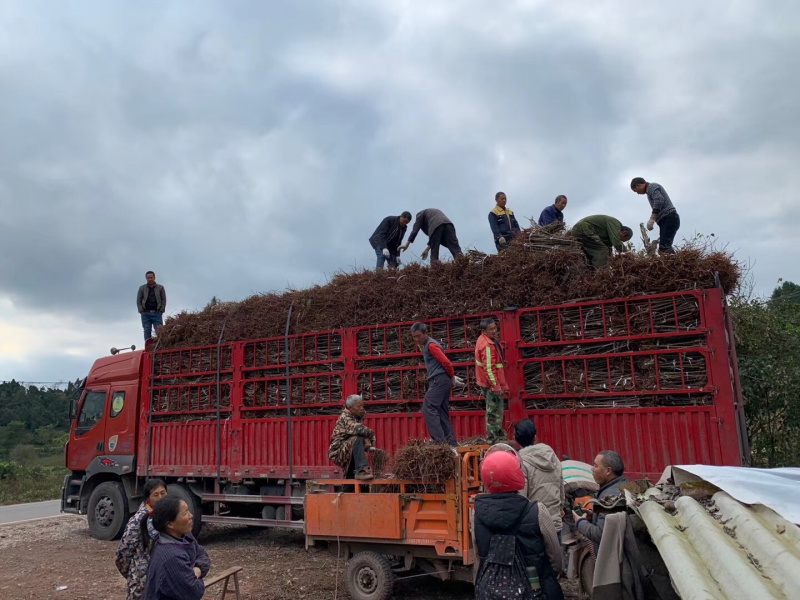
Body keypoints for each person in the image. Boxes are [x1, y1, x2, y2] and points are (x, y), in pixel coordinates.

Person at [474, 446, 564, 600]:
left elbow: (479, 557)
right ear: (518, 474)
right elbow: (556, 558)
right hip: (535, 590)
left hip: (492, 593)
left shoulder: (477, 514)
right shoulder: (538, 511)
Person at [144, 496, 211, 600]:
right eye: (185, 513)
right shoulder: (171, 557)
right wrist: (195, 572)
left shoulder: (186, 536)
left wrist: (196, 571)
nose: (191, 516)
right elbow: (194, 592)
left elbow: (203, 556)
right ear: (170, 524)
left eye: (188, 510)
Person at [116, 479, 168, 600]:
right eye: (155, 495)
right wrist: (135, 574)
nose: (160, 497)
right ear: (147, 498)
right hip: (142, 584)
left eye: (163, 493)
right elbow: (122, 555)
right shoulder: (137, 521)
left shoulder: (169, 517)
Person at [410, 322, 461, 445]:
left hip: (439, 380)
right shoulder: (428, 344)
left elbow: (446, 363)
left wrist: (452, 377)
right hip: (442, 380)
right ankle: (451, 443)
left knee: (428, 408)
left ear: (425, 333)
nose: (417, 339)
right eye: (414, 337)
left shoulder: (431, 345)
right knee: (442, 411)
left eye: (419, 336)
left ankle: (439, 442)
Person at [572, 450, 629, 555]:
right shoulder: (622, 485)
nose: (592, 469)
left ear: (608, 471)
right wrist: (594, 515)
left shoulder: (610, 496)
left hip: (613, 560)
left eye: (595, 465)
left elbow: (600, 534)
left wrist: (579, 522)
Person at [514, 420, 564, 535]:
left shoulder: (520, 463)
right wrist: (559, 509)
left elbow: (521, 499)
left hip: (533, 527)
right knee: (557, 553)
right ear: (535, 437)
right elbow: (561, 489)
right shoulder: (553, 457)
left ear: (516, 439)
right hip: (554, 523)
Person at [474, 318, 509, 443]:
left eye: (495, 328)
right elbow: (489, 368)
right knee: (494, 411)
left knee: (495, 410)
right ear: (484, 331)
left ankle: (498, 435)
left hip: (487, 382)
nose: (494, 331)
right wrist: (496, 386)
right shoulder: (487, 345)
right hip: (491, 384)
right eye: (491, 329)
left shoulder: (485, 340)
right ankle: (494, 439)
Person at [327, 394, 377, 480]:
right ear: (350, 407)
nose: (362, 408)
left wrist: (368, 445)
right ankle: (361, 470)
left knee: (351, 477)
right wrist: (371, 434)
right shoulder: (345, 418)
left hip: (346, 450)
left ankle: (350, 489)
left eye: (362, 405)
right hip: (337, 453)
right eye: (359, 406)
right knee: (357, 438)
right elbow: (359, 429)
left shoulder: (355, 417)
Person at [630, 177, 680, 254]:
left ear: (638, 185)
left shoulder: (651, 187)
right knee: (664, 248)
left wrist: (652, 219)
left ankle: (675, 264)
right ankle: (674, 263)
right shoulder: (650, 190)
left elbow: (659, 200)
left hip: (669, 217)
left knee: (664, 248)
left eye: (636, 191)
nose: (638, 193)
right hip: (667, 219)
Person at [137, 271, 167, 342]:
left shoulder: (160, 288)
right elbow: (138, 300)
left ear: (154, 278)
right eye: (148, 278)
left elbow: (164, 299)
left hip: (157, 313)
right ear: (146, 278)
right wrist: (141, 310)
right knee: (147, 329)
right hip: (145, 313)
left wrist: (161, 310)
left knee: (159, 330)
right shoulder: (142, 288)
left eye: (151, 277)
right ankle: (147, 345)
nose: (149, 279)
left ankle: (160, 345)